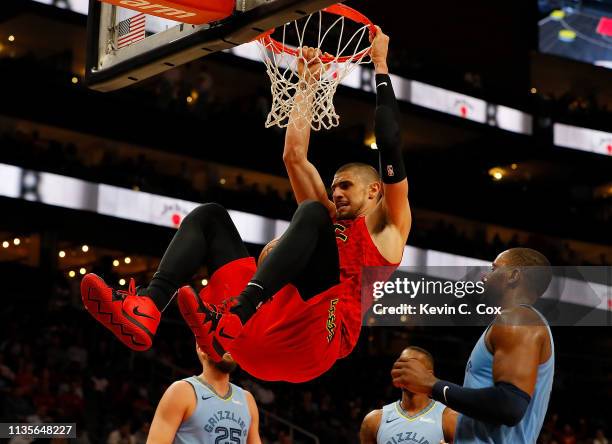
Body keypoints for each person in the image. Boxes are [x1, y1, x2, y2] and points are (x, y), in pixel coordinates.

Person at [81, 26, 411, 383]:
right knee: (210, 217)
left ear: (375, 191)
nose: (336, 194)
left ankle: (239, 310)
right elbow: (294, 156)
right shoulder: (327, 217)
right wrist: (306, 84)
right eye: (333, 187)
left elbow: (390, 140)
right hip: (253, 336)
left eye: (345, 186)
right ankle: (148, 304)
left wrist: (380, 64)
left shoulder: (388, 229)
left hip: (314, 342)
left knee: (312, 213)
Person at [391, 248, 554, 443]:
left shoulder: (517, 319)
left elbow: (509, 406)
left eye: (493, 269)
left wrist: (431, 384)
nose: (485, 276)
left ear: (513, 276)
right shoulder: (510, 322)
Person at [147, 345, 261, 444]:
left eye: (232, 340)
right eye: (222, 340)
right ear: (201, 348)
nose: (228, 347)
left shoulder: (247, 399)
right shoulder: (182, 391)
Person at [361, 347, 458, 444]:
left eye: (411, 367)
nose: (403, 370)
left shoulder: (450, 419)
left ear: (429, 375)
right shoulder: (373, 421)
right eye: (401, 365)